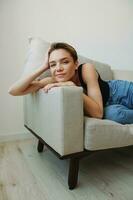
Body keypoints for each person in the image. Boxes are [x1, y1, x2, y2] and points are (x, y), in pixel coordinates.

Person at [8, 42, 133, 124]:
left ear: (75, 64)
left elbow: (98, 112)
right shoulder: (53, 80)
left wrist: (74, 87)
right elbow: (14, 91)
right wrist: (43, 66)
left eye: (65, 62)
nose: (58, 68)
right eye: (53, 64)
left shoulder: (86, 69)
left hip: (121, 91)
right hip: (107, 107)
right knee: (116, 115)